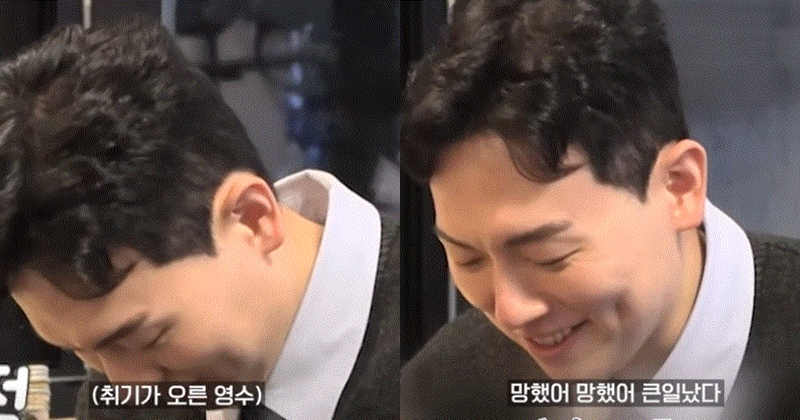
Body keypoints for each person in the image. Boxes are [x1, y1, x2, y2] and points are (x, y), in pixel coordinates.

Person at [399, 0, 800, 419]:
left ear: (680, 185)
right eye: (468, 258)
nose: (511, 312)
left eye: (549, 257)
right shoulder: (443, 394)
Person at [0, 16, 398, 420]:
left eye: (148, 338)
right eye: (85, 355)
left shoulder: (429, 336)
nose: (128, 392)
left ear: (253, 219)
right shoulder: (127, 382)